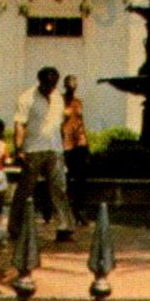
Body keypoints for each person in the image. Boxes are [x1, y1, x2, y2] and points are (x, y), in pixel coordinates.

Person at [10, 66, 77, 243]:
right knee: (25, 190)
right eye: (47, 83)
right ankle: (15, 227)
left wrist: (65, 146)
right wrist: (18, 149)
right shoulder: (26, 98)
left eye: (53, 83)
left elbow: (60, 123)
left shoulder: (57, 98)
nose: (50, 87)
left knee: (59, 189)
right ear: (40, 81)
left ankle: (65, 227)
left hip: (54, 149)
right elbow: (19, 125)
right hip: (33, 150)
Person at [61, 74, 90, 207]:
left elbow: (81, 122)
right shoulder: (59, 102)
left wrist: (86, 141)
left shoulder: (78, 102)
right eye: (70, 85)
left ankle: (79, 206)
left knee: (80, 176)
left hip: (79, 143)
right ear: (65, 85)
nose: (72, 87)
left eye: (75, 84)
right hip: (65, 143)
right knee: (65, 176)